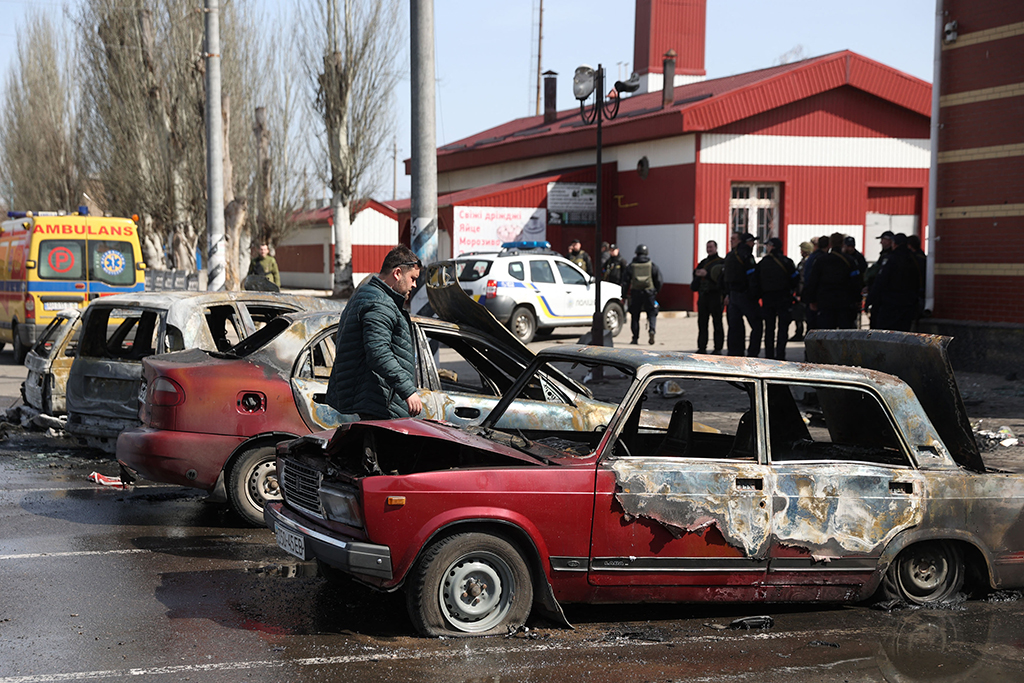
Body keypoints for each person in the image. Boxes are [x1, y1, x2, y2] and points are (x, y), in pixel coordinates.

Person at [324, 245, 423, 421]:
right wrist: (408, 391)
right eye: (413, 278)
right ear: (397, 273)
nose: (414, 285)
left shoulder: (366, 295)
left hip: (367, 400)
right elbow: (378, 352)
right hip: (376, 404)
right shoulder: (380, 304)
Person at [803, 233, 860, 329]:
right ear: (843, 243)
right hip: (845, 301)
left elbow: (813, 281)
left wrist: (811, 300)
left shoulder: (821, 260)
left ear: (830, 244)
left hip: (825, 301)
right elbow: (856, 282)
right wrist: (857, 299)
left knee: (826, 333)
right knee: (844, 334)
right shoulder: (850, 261)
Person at [867, 233, 920, 331]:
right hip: (908, 304)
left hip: (890, 304)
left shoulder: (890, 259)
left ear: (894, 244)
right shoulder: (914, 259)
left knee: (884, 333)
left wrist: (869, 300)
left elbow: (880, 281)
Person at [756, 237, 798, 360]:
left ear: (772, 246)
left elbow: (756, 281)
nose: (766, 248)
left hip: (768, 299)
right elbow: (795, 279)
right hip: (784, 298)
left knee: (769, 329)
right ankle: (780, 354)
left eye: (767, 246)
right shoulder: (787, 262)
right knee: (783, 328)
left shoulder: (763, 263)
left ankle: (769, 355)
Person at [723, 232, 762, 357]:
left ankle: (735, 353)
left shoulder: (729, 256)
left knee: (735, 327)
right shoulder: (746, 255)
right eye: (752, 241)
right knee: (757, 325)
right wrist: (754, 295)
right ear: (746, 242)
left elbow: (724, 278)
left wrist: (727, 294)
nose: (753, 244)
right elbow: (752, 277)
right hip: (745, 296)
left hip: (732, 296)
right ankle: (752, 353)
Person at [622, 244, 662, 345]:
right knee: (652, 313)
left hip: (635, 293)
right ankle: (652, 330)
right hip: (649, 293)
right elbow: (659, 280)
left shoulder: (631, 266)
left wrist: (624, 295)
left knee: (635, 316)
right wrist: (655, 290)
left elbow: (625, 282)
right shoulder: (651, 265)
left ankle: (635, 338)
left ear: (636, 253)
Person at [691, 239, 724, 354]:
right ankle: (701, 347)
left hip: (715, 296)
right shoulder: (703, 262)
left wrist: (707, 274)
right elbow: (695, 281)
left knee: (717, 324)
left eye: (711, 247)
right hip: (703, 297)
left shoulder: (721, 262)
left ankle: (718, 348)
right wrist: (698, 275)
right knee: (702, 324)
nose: (709, 249)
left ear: (716, 248)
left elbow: (721, 279)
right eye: (708, 247)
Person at [790, 241, 814, 341]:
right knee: (799, 315)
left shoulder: (806, 263)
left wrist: (799, 293)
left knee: (802, 315)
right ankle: (799, 332)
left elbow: (802, 280)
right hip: (802, 292)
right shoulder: (804, 262)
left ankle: (801, 333)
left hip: (803, 293)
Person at [842, 236, 867, 328]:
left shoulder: (859, 258)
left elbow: (863, 273)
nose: (850, 248)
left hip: (854, 290)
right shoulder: (842, 256)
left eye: (851, 246)